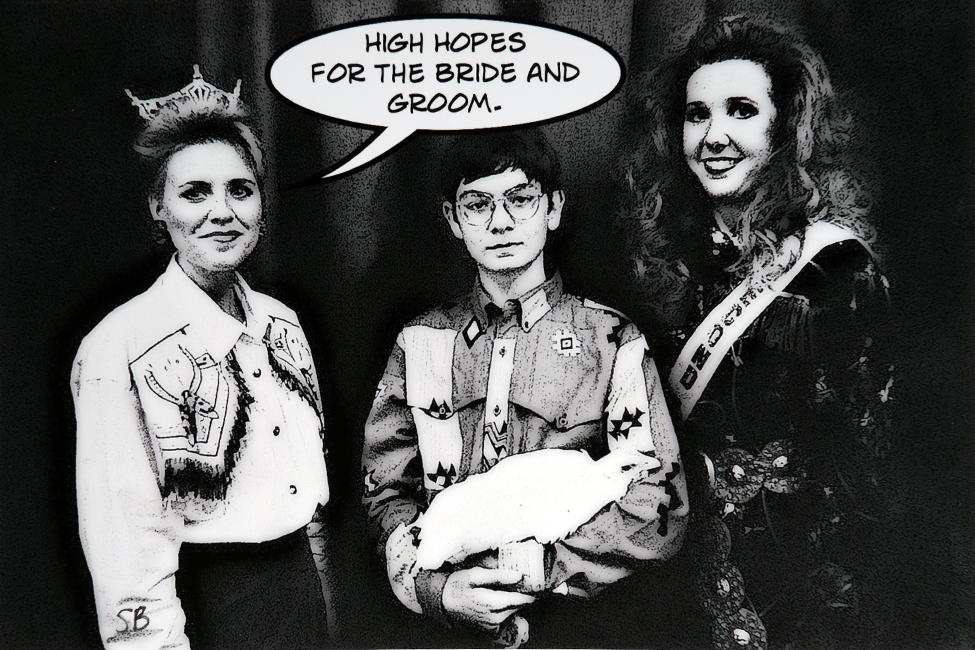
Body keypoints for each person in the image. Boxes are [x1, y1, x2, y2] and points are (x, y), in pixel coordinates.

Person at [620, 15, 896, 650]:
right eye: (697, 115)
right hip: (670, 590)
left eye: (741, 111)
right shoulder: (666, 261)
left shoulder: (839, 271)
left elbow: (865, 472)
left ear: (786, 127)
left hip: (794, 595)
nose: (713, 135)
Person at [361, 129, 688, 647]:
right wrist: (437, 591)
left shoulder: (610, 339)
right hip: (442, 630)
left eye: (520, 199)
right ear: (452, 218)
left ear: (553, 208)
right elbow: (384, 490)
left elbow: (660, 499)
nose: (501, 222)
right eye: (477, 204)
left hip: (569, 628)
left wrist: (542, 565)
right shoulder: (419, 342)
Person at [72, 66, 334, 650]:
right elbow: (125, 546)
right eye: (194, 192)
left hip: (300, 597)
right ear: (157, 206)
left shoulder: (281, 323)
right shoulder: (119, 346)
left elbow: (307, 493)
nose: (222, 211)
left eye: (240, 190)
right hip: (207, 608)